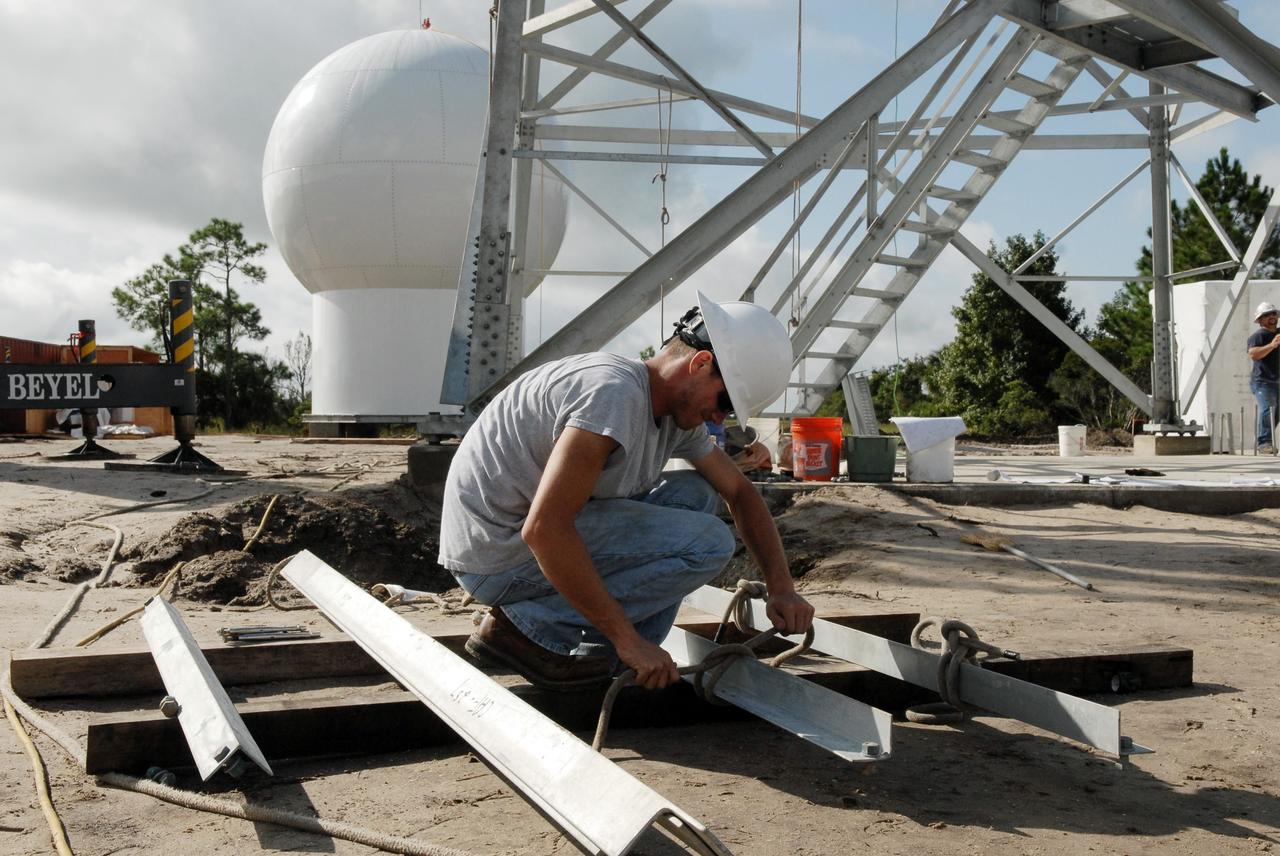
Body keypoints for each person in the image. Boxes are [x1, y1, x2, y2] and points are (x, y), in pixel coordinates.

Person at [438, 292, 815, 691]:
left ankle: (612, 659)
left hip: (520, 543)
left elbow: (738, 492)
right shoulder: (612, 396)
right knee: (708, 543)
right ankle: (529, 631)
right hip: (496, 556)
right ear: (700, 363)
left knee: (697, 496)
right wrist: (627, 639)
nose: (720, 417)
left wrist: (782, 588)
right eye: (724, 402)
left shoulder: (670, 413)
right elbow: (545, 529)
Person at [1248, 301, 1280, 454]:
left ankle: (1266, 440)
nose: (1272, 317)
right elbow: (1253, 354)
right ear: (1260, 320)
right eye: (1266, 315)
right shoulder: (1259, 335)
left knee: (1276, 412)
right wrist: (1272, 346)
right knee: (1268, 410)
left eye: (1274, 313)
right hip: (1263, 381)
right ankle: (1264, 443)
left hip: (1277, 381)